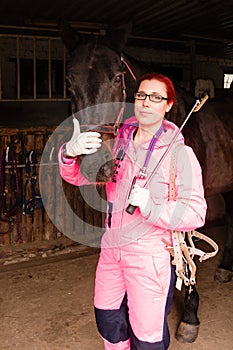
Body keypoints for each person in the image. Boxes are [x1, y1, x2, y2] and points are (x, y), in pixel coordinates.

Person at [58, 72, 207, 350]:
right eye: (141, 95)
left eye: (156, 97)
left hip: (149, 257)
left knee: (147, 336)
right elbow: (78, 177)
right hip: (111, 251)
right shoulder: (117, 144)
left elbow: (196, 213)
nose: (146, 102)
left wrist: (151, 206)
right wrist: (69, 153)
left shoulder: (180, 155)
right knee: (107, 320)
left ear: (168, 105)